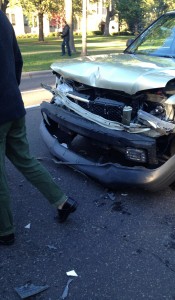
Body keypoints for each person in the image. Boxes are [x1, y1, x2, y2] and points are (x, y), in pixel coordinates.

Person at [0, 10, 78, 246]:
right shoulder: (2, 18)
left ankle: (5, 231)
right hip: (14, 106)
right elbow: (17, 61)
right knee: (25, 159)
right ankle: (62, 202)